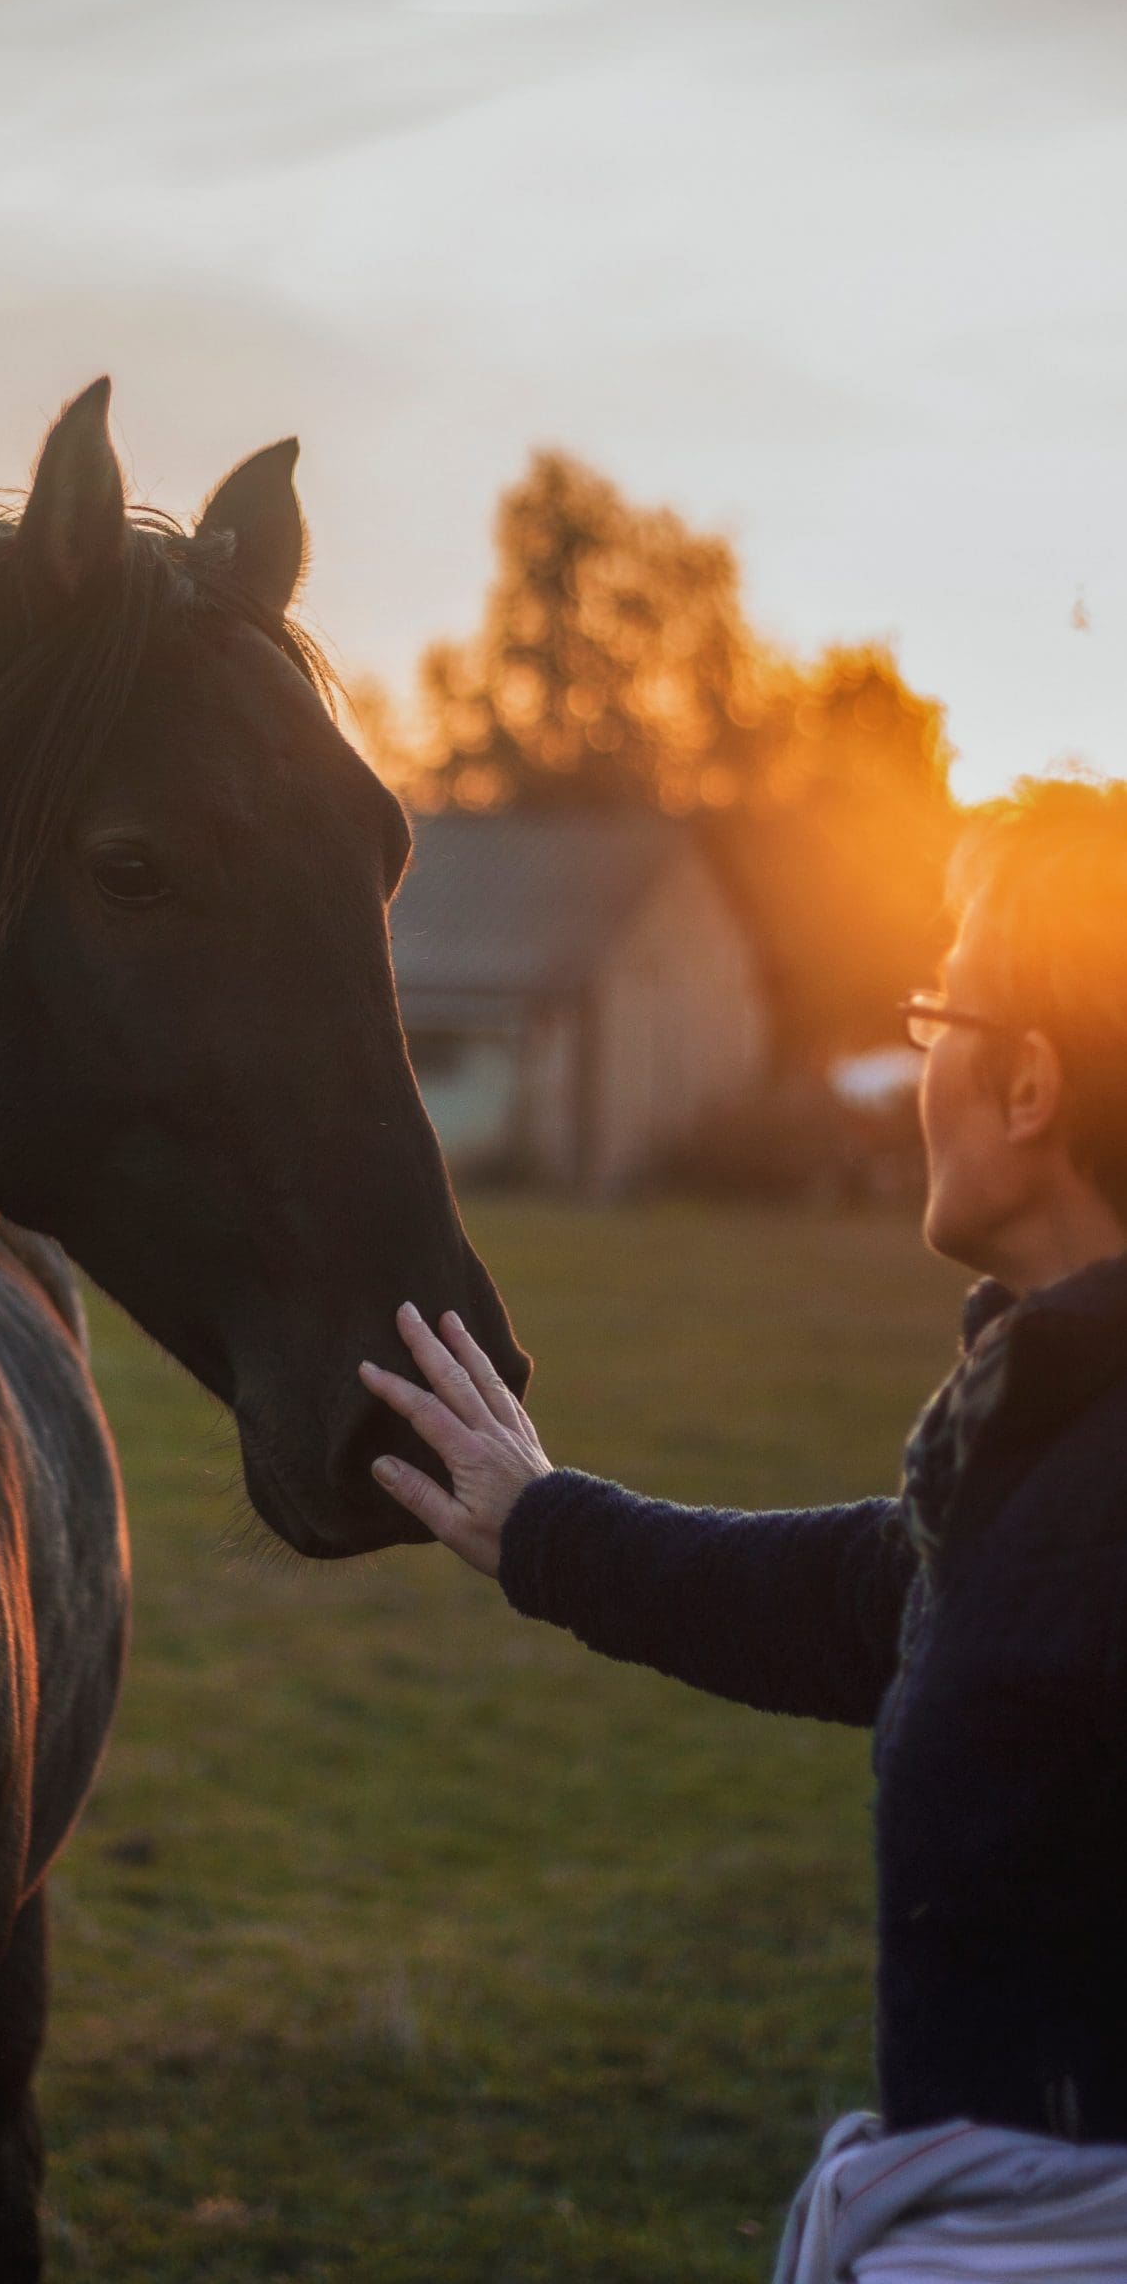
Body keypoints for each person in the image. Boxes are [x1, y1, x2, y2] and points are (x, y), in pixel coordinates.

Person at [360, 778, 1127, 2282]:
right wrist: (544, 1526)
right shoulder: (1051, 1438)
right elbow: (876, 1597)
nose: (920, 1074)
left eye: (937, 1022)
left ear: (1028, 1088)